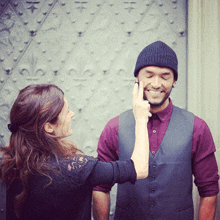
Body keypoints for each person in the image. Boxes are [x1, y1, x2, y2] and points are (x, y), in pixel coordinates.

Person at [93, 41, 219, 220]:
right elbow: (100, 188)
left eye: (165, 76)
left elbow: (209, 190)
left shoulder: (197, 128)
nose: (156, 83)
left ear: (174, 80)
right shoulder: (114, 127)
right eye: (149, 75)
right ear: (137, 77)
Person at [0, 83, 151, 220]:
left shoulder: (10, 162)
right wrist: (141, 118)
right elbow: (140, 168)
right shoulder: (74, 170)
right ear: (48, 127)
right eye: (66, 111)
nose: (71, 114)